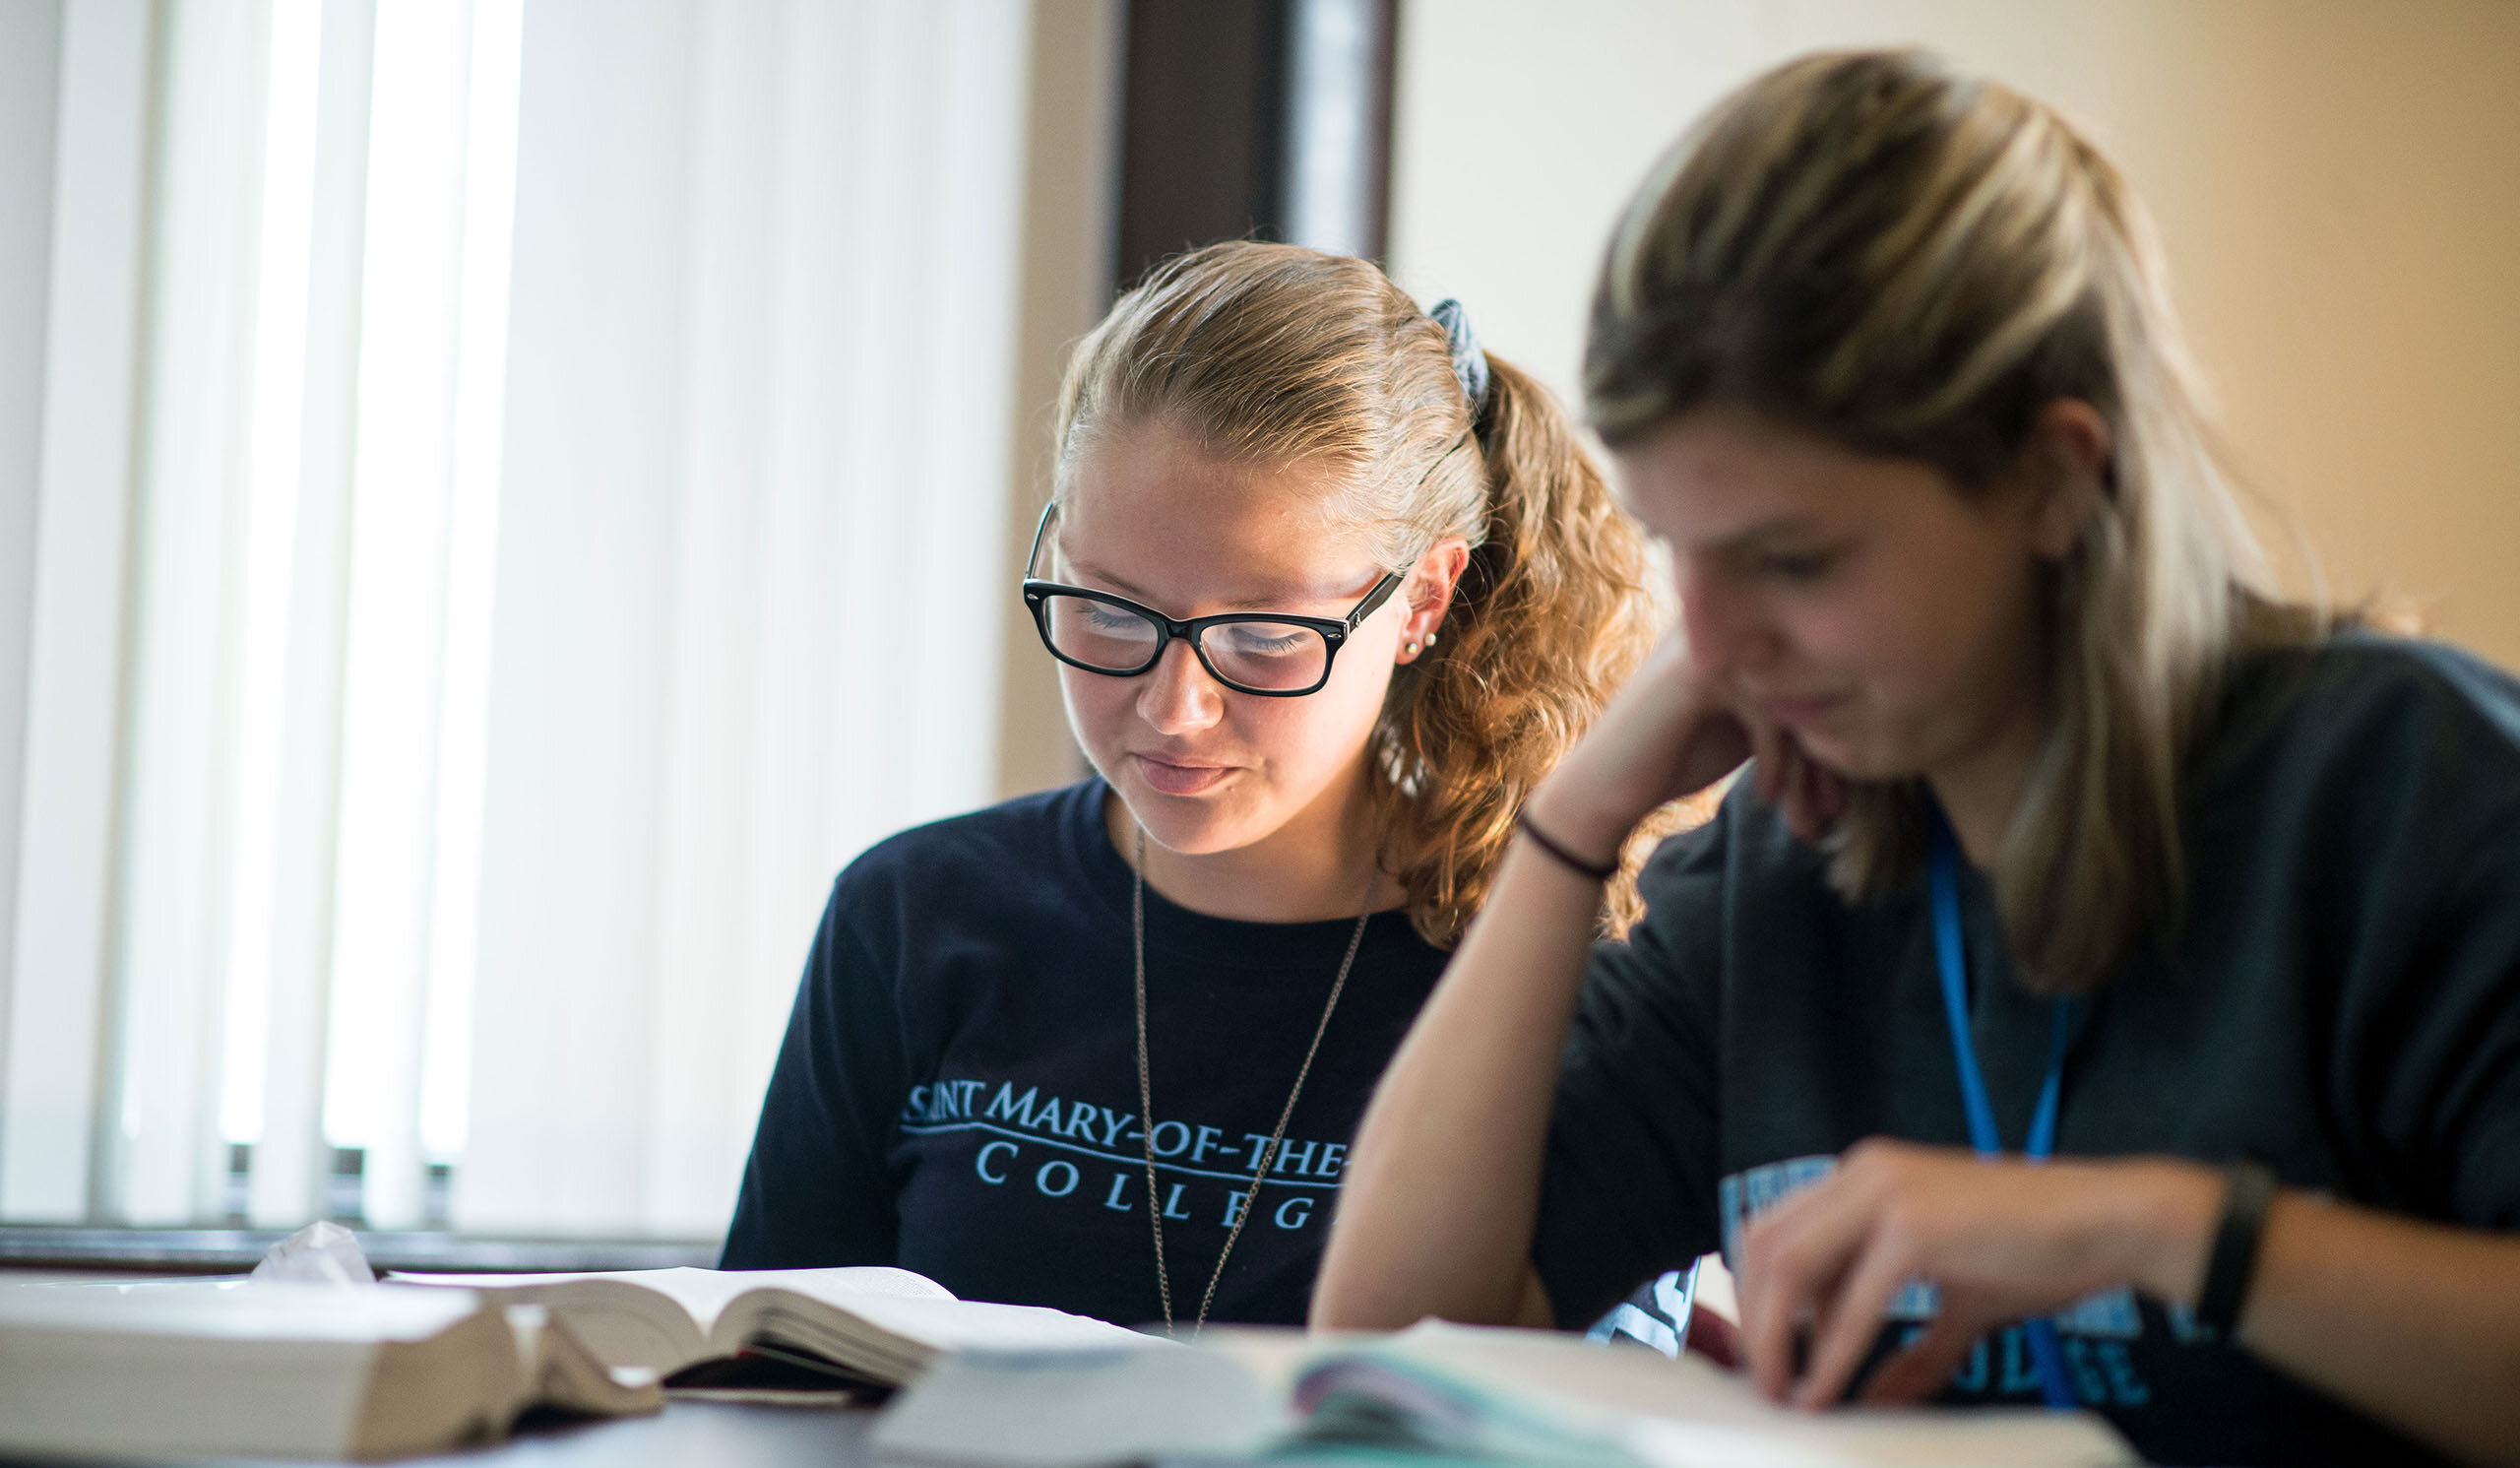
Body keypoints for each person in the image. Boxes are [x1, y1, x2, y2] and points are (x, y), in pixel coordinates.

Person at [1311, 48, 2520, 1468]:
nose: (1711, 635)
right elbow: (1392, 1339)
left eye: (1794, 556)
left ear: (2057, 480)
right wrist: (1577, 817)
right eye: (1679, 546)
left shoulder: (2407, 792)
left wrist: (2159, 1229)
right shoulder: (1784, 861)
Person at [719, 241, 1661, 1334]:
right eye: (1110, 611)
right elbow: (766, 1373)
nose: (1173, 709)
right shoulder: (911, 914)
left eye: (1262, 636)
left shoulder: (1555, 974)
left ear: (1421, 600)